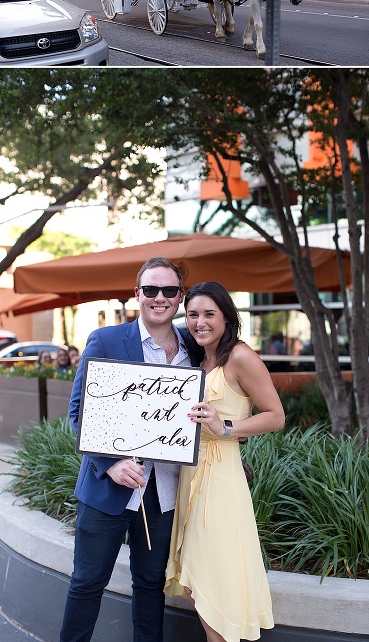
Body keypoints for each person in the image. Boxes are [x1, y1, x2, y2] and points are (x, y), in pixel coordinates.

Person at [60, 258, 203, 642]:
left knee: (149, 584)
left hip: (164, 491)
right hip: (110, 489)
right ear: (137, 294)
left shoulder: (195, 345)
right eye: (151, 290)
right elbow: (78, 413)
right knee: (88, 581)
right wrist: (109, 464)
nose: (160, 298)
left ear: (180, 296)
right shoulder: (106, 340)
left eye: (169, 291)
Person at [165, 281, 285, 642]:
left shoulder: (240, 356)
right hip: (190, 473)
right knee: (195, 582)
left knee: (214, 577)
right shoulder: (201, 359)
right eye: (192, 315)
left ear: (227, 316)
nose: (199, 322)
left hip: (220, 477)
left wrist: (227, 426)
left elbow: (276, 415)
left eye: (208, 314)